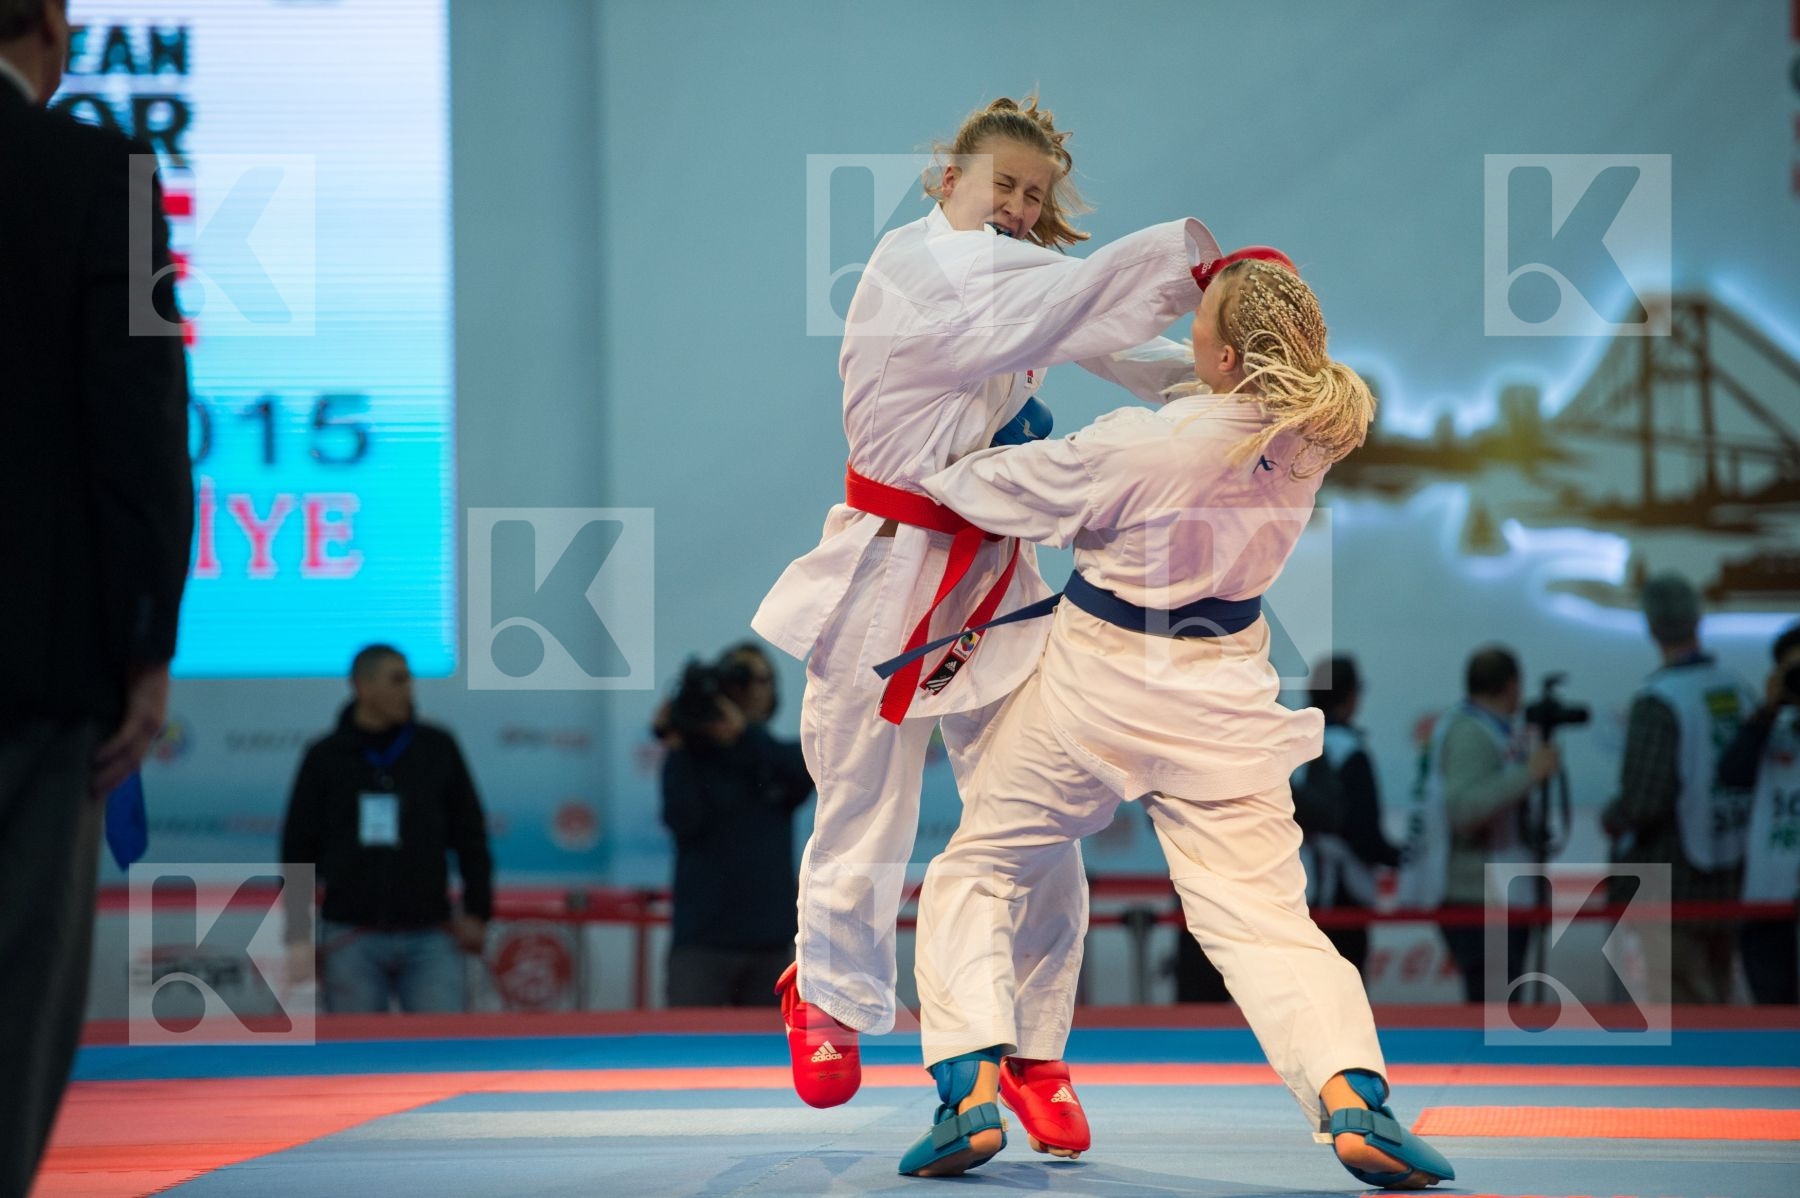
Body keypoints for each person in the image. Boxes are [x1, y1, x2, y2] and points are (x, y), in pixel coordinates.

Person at [901, 251, 1452, 1189]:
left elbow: (987, 490)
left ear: (1231, 357)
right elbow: (1185, 380)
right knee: (1268, 922)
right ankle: (1355, 1098)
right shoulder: (1311, 435)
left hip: (1098, 687)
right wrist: (1082, 330)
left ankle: (968, 1092)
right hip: (1224, 699)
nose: (1190, 334)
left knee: (981, 867)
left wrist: (940, 439)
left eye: (1203, 325)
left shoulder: (1136, 445)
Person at [751, 93, 1220, 1125]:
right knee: (865, 802)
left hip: (995, 575)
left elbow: (1113, 347)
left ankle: (1033, 1047)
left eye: (1035, 194)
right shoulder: (919, 267)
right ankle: (825, 993)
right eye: (1000, 183)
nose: (1015, 204)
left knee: (1038, 810)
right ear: (945, 182)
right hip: (888, 564)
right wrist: (1201, 273)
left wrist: (1222, 382)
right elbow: (1081, 302)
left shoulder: (1030, 292)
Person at [0, 2, 195, 1190]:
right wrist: (145, 642)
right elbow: (138, 419)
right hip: (32, 662)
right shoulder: (100, 174)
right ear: (55, 38)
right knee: (19, 975)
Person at [280, 646, 494, 1013]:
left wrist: (478, 910)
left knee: (443, 1054)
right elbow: (298, 847)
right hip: (350, 935)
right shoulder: (325, 756)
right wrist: (299, 935)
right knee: (357, 1058)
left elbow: (470, 833)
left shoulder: (436, 747)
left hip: (432, 934)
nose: (409, 689)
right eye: (397, 679)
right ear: (362, 686)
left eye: (409, 679)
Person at [1601, 575, 1756, 1004]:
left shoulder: (1661, 698)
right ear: (1698, 619)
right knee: (1719, 995)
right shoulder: (1737, 689)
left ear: (1651, 626)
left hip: (1673, 879)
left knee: (1681, 1006)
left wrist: (1612, 818)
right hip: (1733, 870)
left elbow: (1643, 801)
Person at [1398, 646, 1558, 1002]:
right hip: (1478, 896)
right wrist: (1529, 774)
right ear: (1513, 685)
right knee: (1494, 1012)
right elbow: (1464, 809)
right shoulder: (1472, 732)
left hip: (1491, 892)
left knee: (1499, 1011)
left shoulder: (1484, 728)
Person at [658, 644, 814, 1006]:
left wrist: (742, 736)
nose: (755, 688)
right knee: (686, 1056)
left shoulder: (778, 758)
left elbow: (802, 777)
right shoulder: (689, 757)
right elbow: (683, 820)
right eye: (743, 679)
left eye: (764, 679)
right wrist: (684, 742)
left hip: (772, 941)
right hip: (702, 942)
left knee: (773, 1060)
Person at [1297, 655, 1400, 977]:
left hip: (1299, 888)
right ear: (1351, 696)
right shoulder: (1348, 751)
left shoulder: (1295, 740)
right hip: (1341, 891)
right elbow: (1363, 831)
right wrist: (1400, 857)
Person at [1717, 620, 1800, 1004]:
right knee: (1773, 1014)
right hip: (1769, 896)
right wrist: (1768, 710)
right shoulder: (1767, 727)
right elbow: (1731, 774)